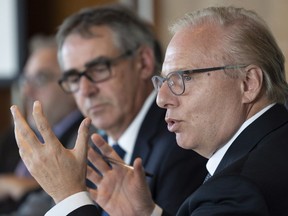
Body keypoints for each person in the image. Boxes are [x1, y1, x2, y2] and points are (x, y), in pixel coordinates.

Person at [10, 4, 208, 216]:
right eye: (74, 78)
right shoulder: (90, 147)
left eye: (99, 69)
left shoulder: (182, 143)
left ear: (143, 62)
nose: (86, 90)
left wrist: (69, 195)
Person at [0, 35, 85, 215]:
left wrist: (22, 187)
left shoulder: (86, 138)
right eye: (26, 79)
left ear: (71, 83)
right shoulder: (15, 135)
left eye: (41, 78)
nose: (27, 90)